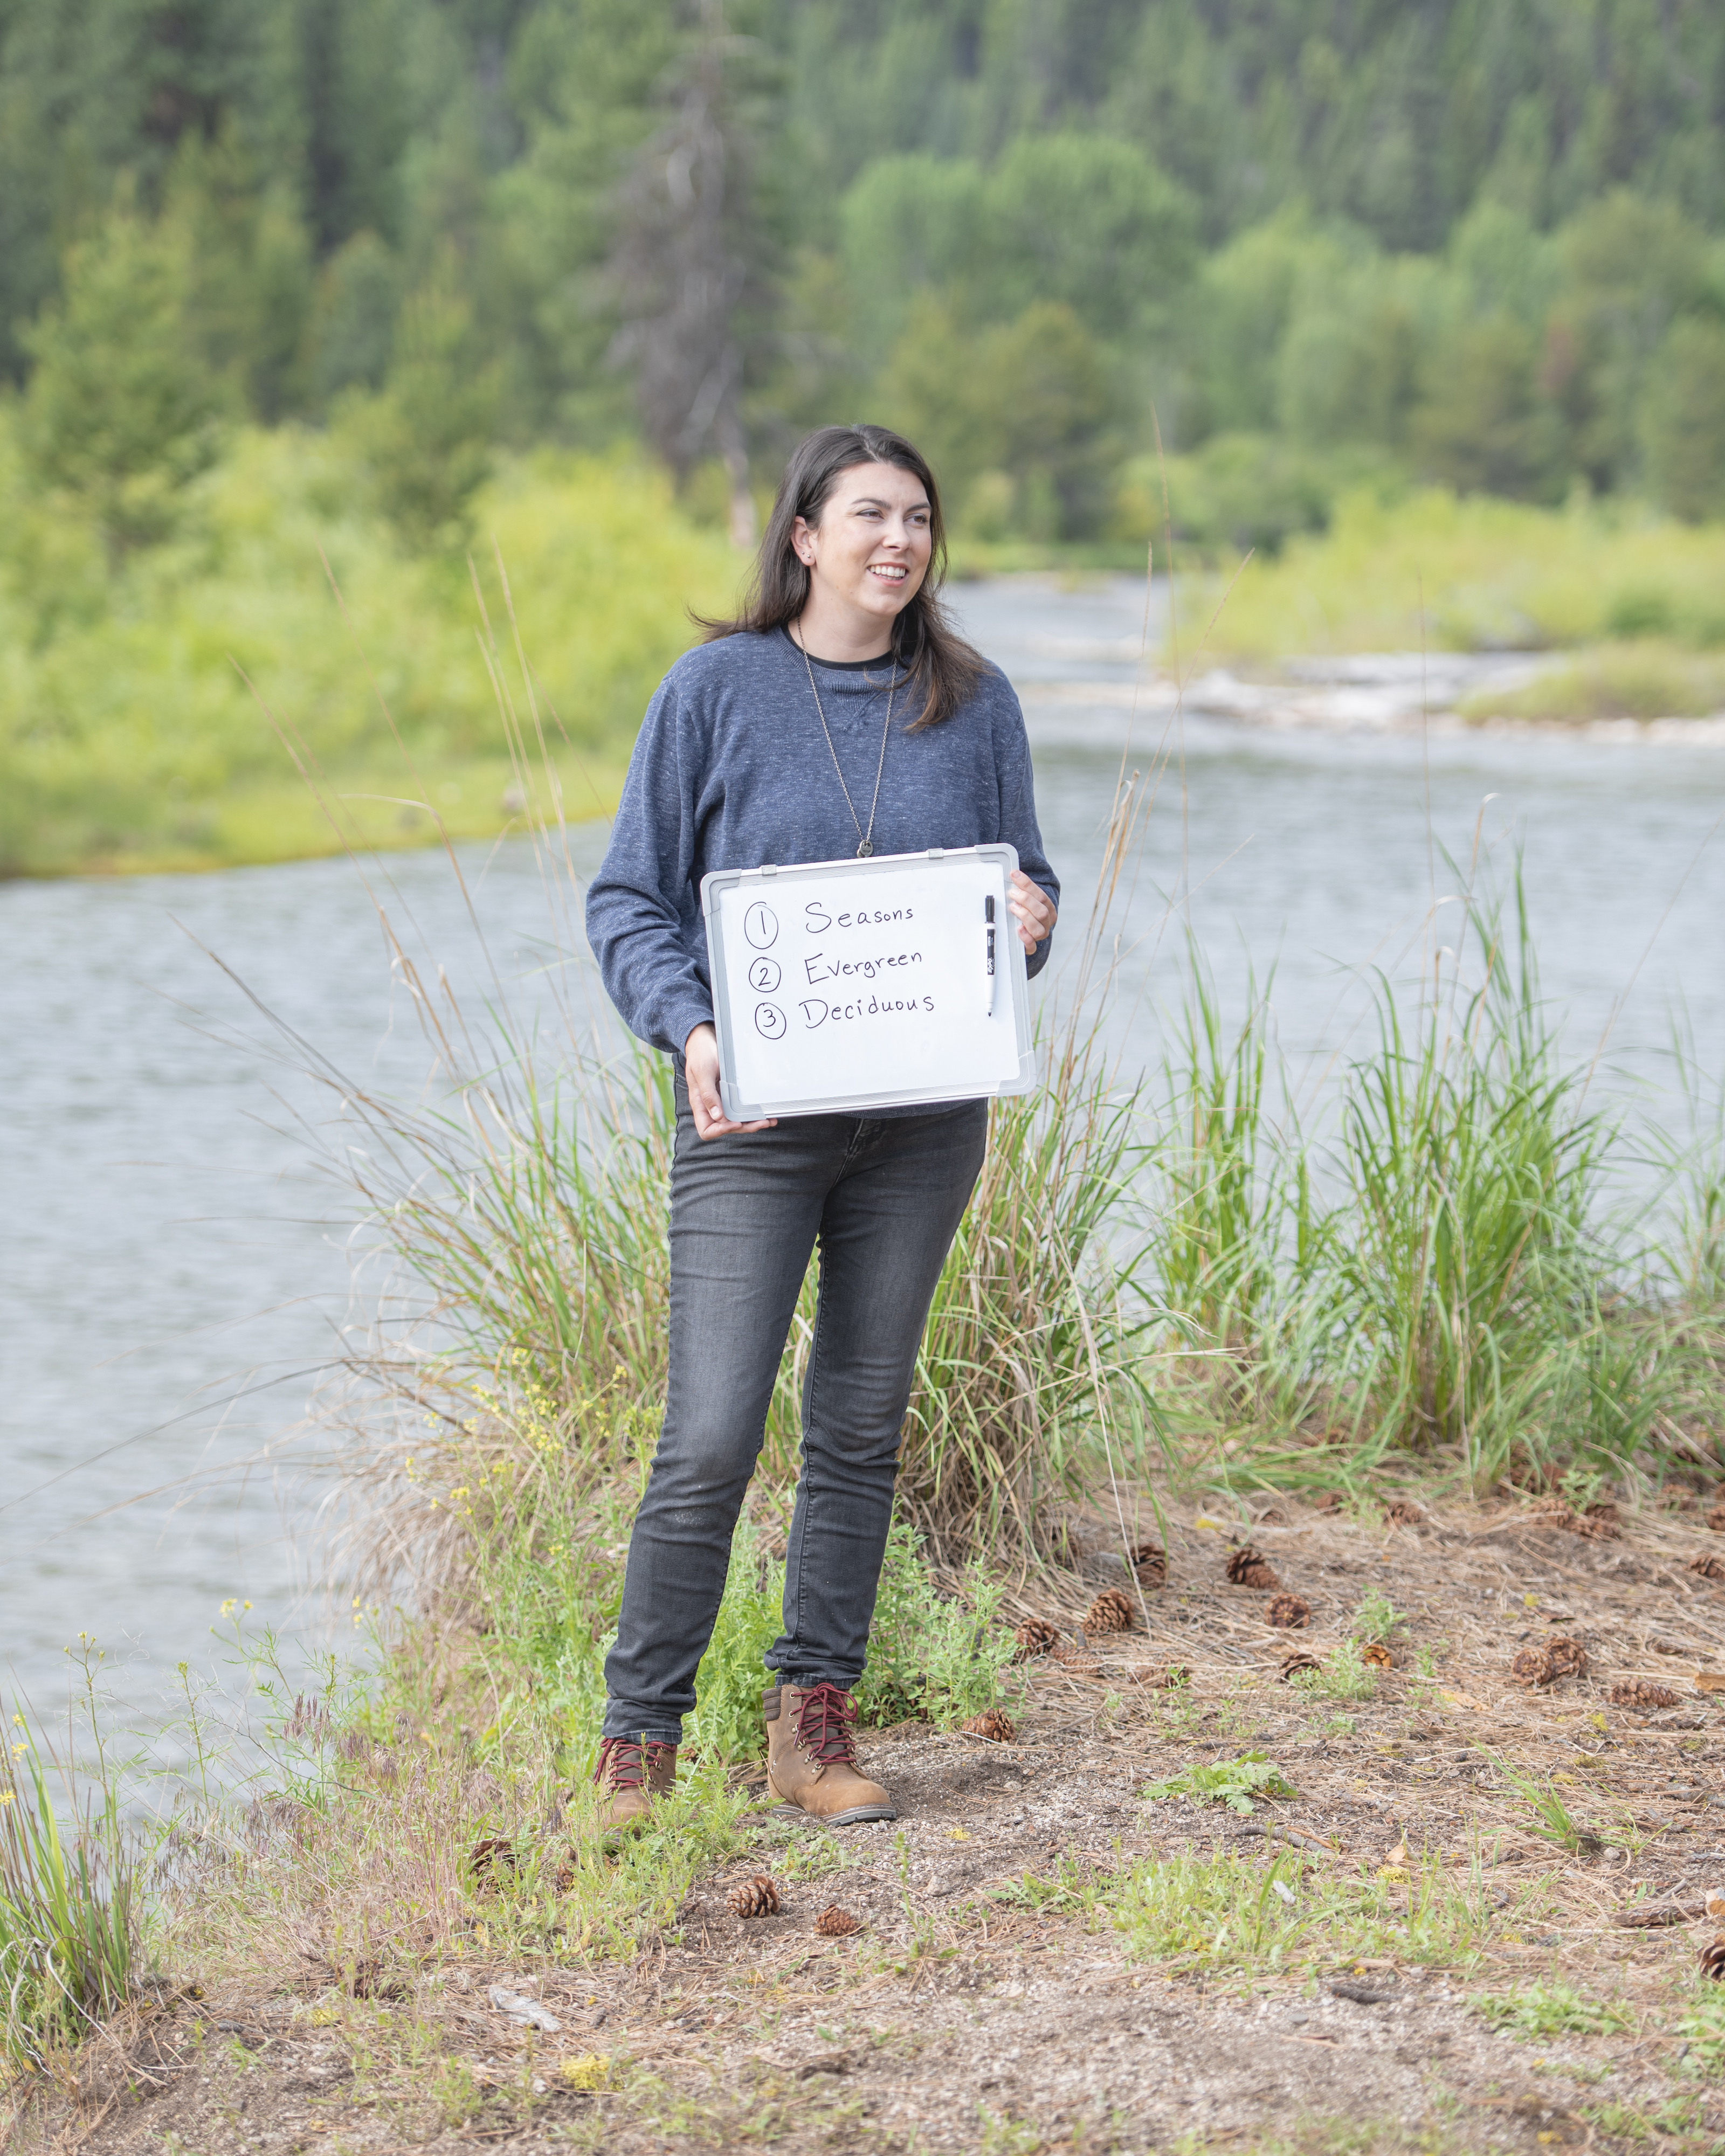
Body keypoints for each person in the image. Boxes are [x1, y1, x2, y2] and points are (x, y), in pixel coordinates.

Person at [583, 422, 1059, 1832]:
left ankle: (812, 1727)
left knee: (857, 1423)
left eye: (918, 517)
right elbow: (628, 901)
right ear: (802, 535)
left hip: (921, 1130)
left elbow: (1019, 886)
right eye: (869, 515)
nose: (898, 541)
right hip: (759, 1124)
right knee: (713, 1431)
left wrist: (1030, 924)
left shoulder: (974, 702)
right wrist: (692, 1025)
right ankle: (637, 1745)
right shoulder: (714, 691)